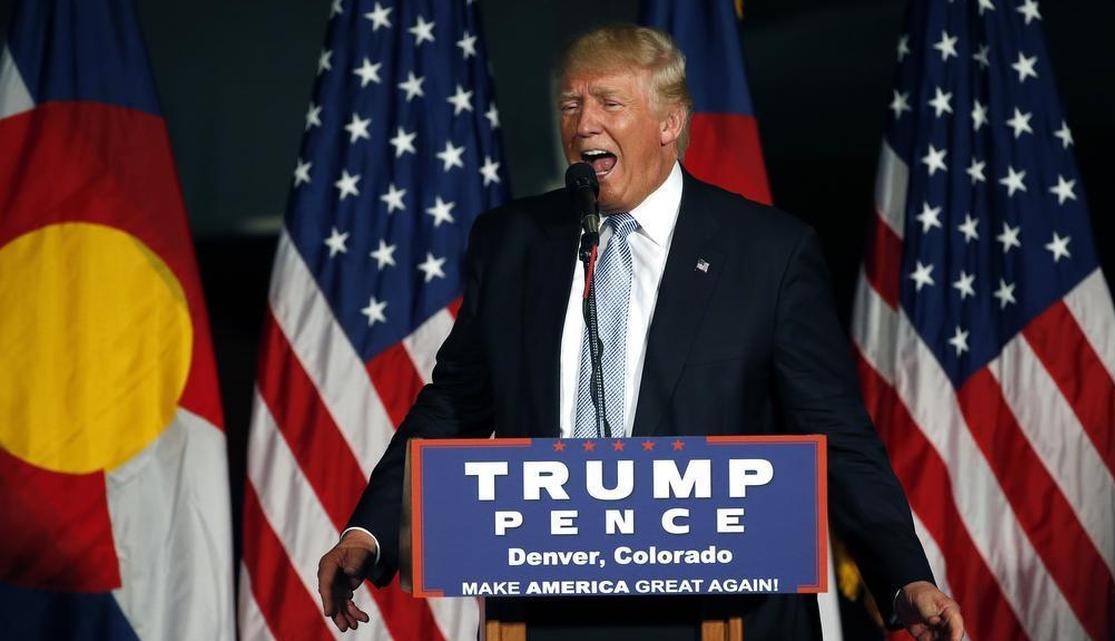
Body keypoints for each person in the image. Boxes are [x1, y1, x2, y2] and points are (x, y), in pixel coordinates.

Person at [317, 24, 964, 641]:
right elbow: (455, 401)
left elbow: (835, 431)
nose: (582, 123)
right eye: (571, 103)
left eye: (608, 102)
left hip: (721, 616)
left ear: (668, 123)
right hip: (544, 614)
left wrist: (904, 576)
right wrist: (370, 530)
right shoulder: (514, 242)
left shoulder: (767, 253)